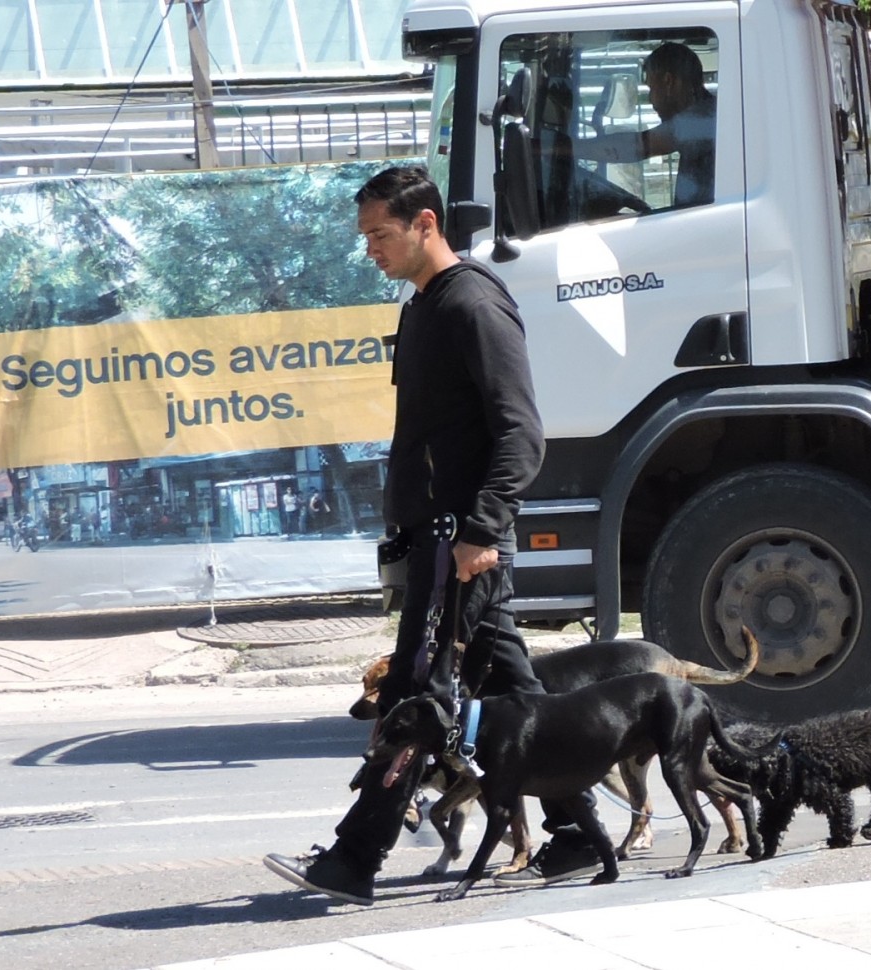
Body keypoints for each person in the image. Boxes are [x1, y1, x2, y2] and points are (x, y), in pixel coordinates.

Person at [263, 166, 605, 906]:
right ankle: (578, 832)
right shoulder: (422, 309)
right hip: (435, 540)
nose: (370, 251)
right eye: (364, 237)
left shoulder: (473, 306)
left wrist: (482, 529)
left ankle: (355, 856)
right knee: (516, 691)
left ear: (425, 225)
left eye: (380, 235)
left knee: (418, 699)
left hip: (463, 543)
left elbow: (521, 433)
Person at [577, 41, 716, 208]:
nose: (650, 100)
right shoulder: (710, 113)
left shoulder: (700, 120)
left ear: (668, 81)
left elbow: (635, 146)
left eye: (651, 88)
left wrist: (565, 148)